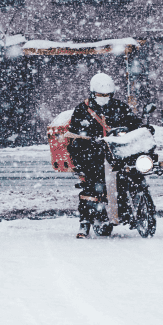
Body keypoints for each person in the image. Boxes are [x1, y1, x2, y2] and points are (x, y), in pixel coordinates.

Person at [67, 73, 143, 238]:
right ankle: (85, 222)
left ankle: (128, 209)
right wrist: (88, 140)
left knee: (130, 172)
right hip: (91, 154)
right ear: (93, 93)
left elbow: (133, 122)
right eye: (100, 95)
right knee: (93, 184)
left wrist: (142, 128)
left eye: (107, 95)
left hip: (116, 152)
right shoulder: (82, 109)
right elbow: (73, 135)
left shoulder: (119, 107)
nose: (104, 98)